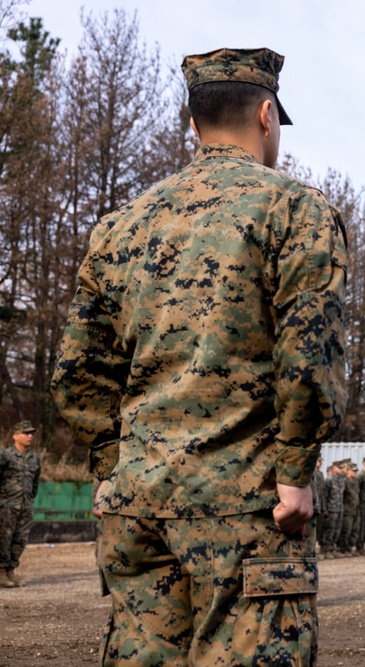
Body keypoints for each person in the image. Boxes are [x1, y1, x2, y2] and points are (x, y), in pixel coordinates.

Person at [50, 47, 347, 664]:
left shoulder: (120, 226)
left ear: (193, 123)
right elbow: (308, 352)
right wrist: (293, 472)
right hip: (246, 505)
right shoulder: (293, 208)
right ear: (266, 117)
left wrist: (119, 465)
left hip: (137, 508)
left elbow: (77, 375)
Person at [0, 420, 41, 588]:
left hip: (25, 506)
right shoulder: (5, 455)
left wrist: (30, 500)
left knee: (20, 540)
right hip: (7, 505)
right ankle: (1, 571)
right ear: (15, 436)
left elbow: (35, 482)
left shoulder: (34, 458)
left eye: (31, 433)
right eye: (26, 433)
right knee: (4, 538)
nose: (30, 436)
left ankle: (11, 571)